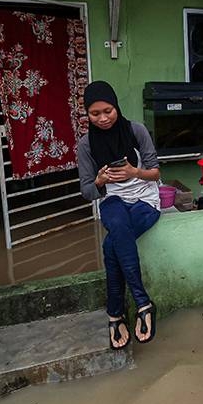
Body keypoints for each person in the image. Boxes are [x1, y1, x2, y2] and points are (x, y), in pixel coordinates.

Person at [77, 81, 161, 350]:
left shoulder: (136, 130)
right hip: (113, 200)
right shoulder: (86, 145)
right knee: (118, 228)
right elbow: (88, 192)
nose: (102, 118)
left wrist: (134, 172)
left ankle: (115, 312)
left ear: (116, 106)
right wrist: (100, 181)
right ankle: (143, 303)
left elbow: (155, 173)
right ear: (87, 115)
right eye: (95, 113)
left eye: (108, 111)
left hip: (145, 200)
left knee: (111, 243)